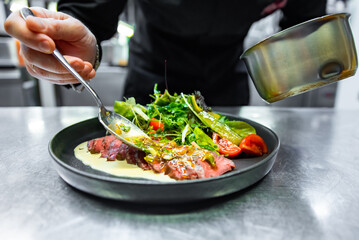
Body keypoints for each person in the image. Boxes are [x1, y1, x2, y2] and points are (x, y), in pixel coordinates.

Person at [4, 0, 327, 106]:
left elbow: (306, 24)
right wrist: (71, 50)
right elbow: (87, 14)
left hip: (229, 74)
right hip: (154, 75)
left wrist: (311, 55)